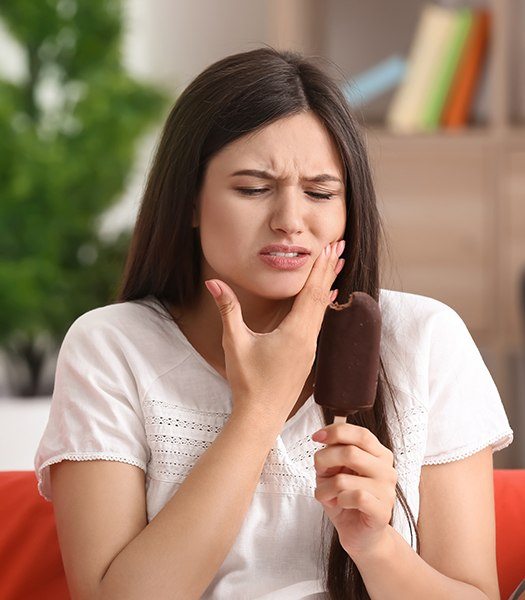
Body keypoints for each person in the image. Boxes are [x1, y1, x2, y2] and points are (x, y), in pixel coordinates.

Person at [34, 46, 513, 600]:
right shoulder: (111, 346)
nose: (290, 221)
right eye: (253, 189)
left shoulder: (425, 339)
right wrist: (260, 407)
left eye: (320, 193)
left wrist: (374, 544)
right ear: (188, 201)